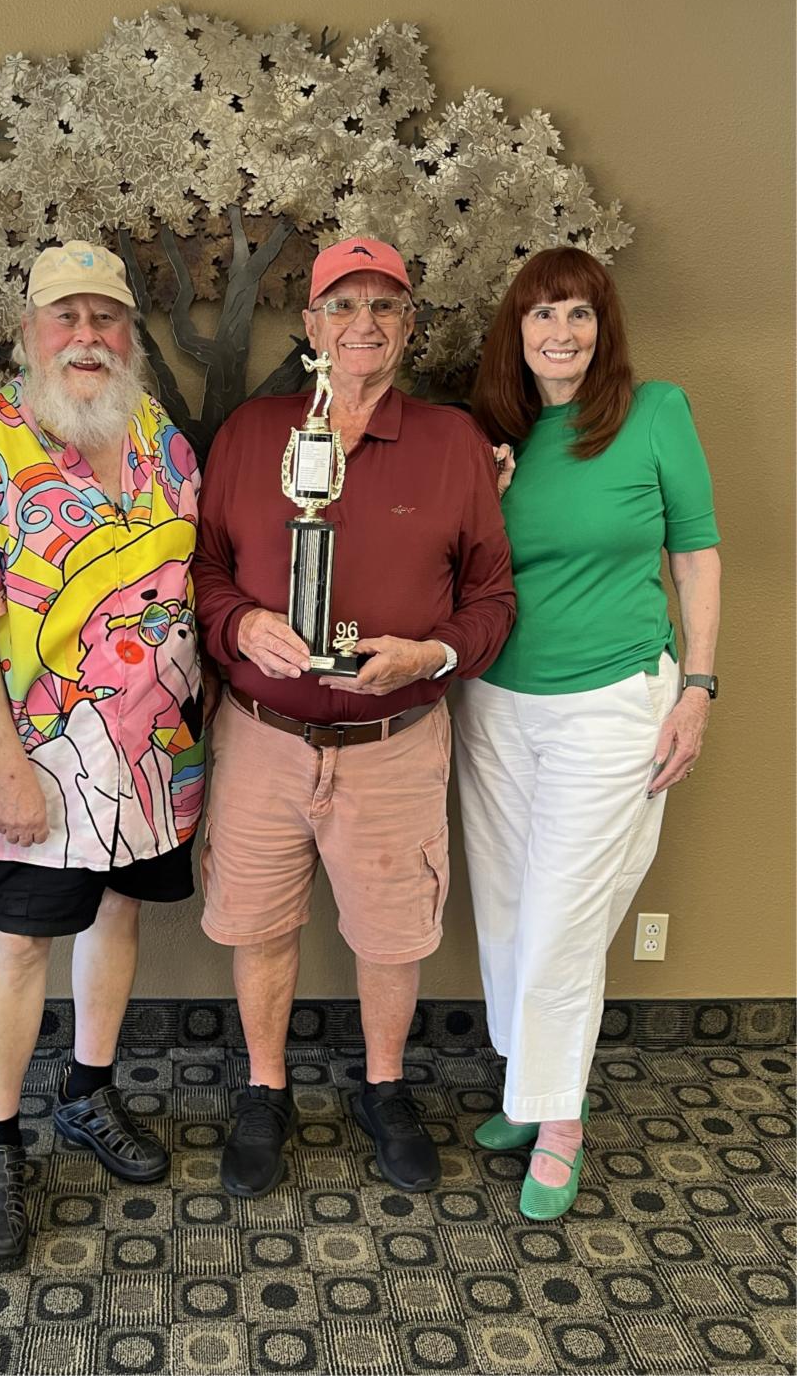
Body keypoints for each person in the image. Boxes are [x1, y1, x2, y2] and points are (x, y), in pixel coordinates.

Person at [193, 237, 515, 1198]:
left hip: (394, 742)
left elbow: (492, 597)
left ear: (410, 325)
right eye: (342, 304)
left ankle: (384, 1085)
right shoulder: (253, 433)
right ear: (310, 324)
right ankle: (265, 1087)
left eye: (384, 304)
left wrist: (432, 654)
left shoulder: (453, 443)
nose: (362, 322)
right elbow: (205, 569)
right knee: (259, 923)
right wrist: (241, 623)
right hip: (263, 736)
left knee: (391, 934)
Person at [0, 241, 205, 1266]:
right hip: (38, 758)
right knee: (21, 940)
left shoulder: (159, 435)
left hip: (154, 752)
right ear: (29, 333)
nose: (87, 337)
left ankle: (88, 1090)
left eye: (106, 318)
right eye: (66, 317)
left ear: (129, 335)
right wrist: (4, 764)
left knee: (120, 914)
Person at [458, 245, 721, 1220]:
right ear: (516, 332)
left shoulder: (655, 413)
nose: (561, 332)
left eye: (579, 313)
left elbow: (696, 555)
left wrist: (698, 688)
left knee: (564, 917)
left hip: (614, 701)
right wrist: (484, 494)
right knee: (504, 910)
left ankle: (558, 1121)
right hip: (494, 703)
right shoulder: (491, 435)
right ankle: (530, 1090)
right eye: (542, 315)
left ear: (603, 327)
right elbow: (454, 568)